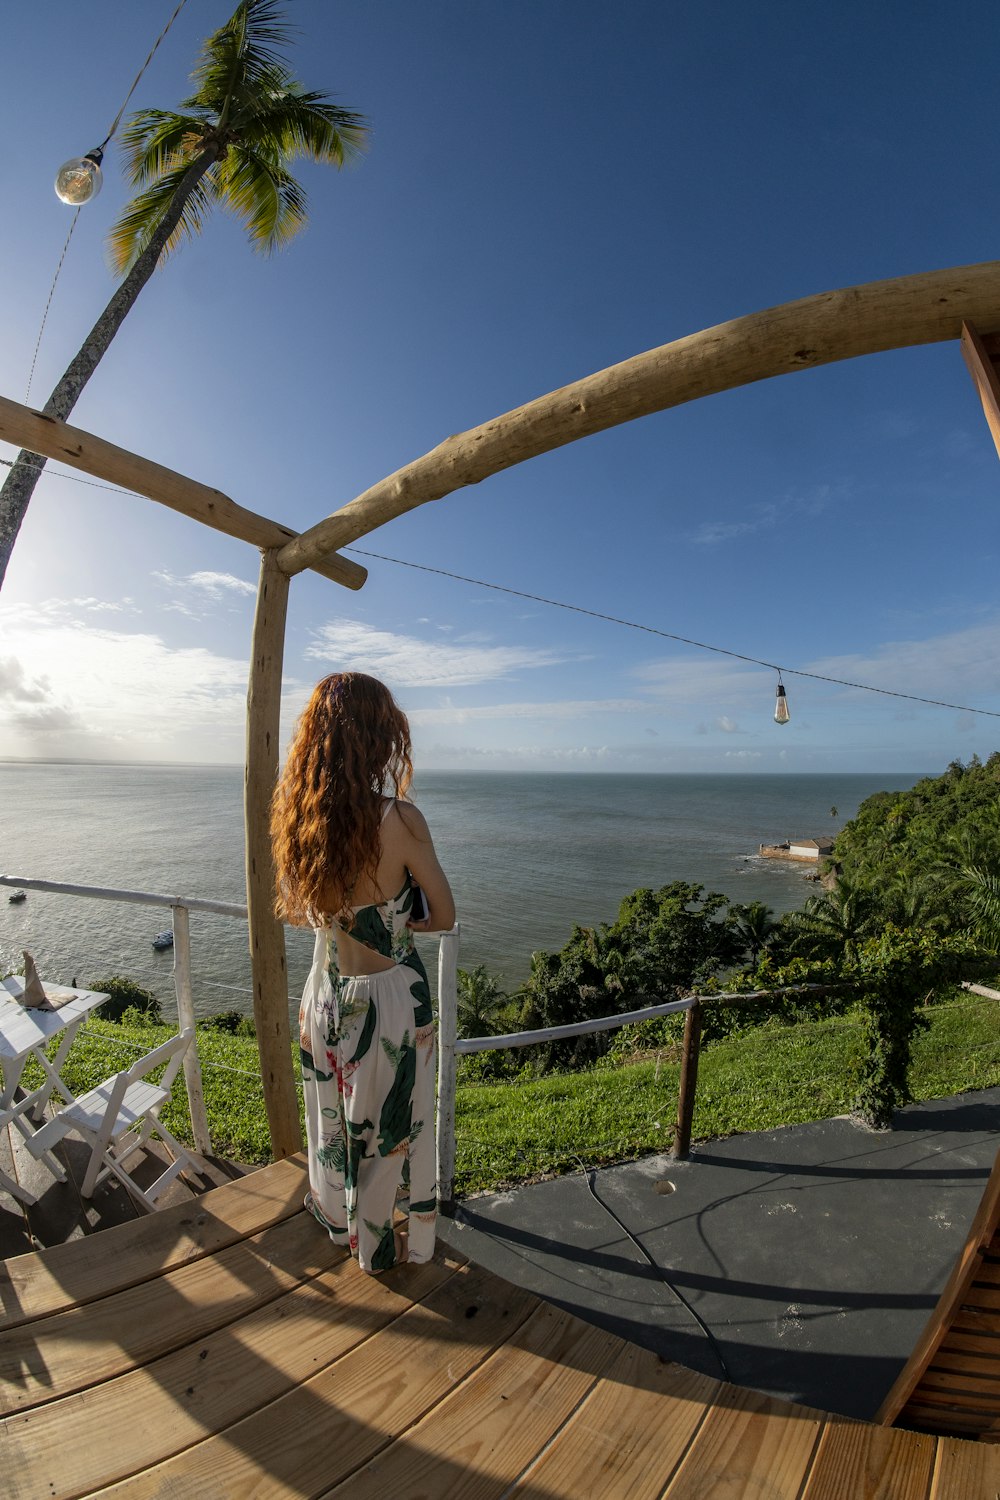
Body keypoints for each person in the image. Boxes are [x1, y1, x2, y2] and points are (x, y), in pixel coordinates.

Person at [270, 672, 455, 1273]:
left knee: (330, 1118)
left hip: (325, 993)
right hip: (390, 1003)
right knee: (389, 1133)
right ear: (378, 740)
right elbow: (445, 914)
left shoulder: (303, 822)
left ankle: (340, 1226)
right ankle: (379, 1257)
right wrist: (399, 918)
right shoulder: (401, 821)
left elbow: (303, 913)